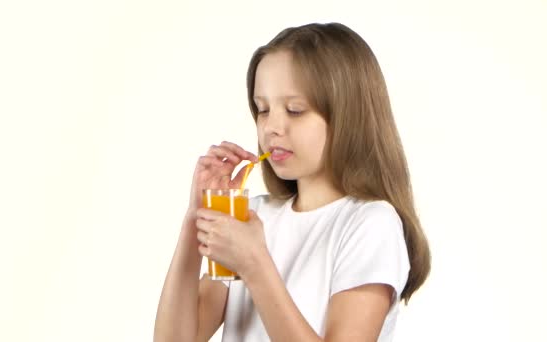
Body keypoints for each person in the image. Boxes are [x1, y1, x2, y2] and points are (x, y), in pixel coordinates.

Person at [153, 22, 431, 342]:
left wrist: (255, 265)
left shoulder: (370, 224)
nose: (272, 126)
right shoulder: (254, 217)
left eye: (295, 110)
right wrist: (196, 219)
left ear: (348, 115)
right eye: (263, 109)